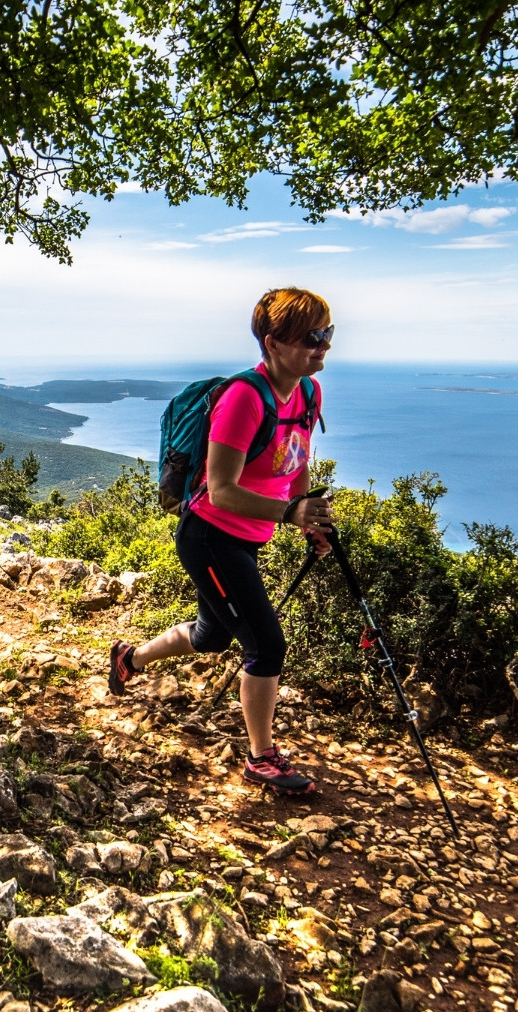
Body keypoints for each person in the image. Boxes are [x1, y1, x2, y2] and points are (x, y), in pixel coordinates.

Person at [108, 288, 335, 795]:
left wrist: (308, 518)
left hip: (248, 535)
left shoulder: (307, 394)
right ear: (274, 344)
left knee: (211, 636)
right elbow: (222, 489)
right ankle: (262, 758)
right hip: (211, 536)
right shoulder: (243, 399)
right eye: (311, 337)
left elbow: (297, 459)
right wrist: (289, 511)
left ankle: (129, 658)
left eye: (328, 334)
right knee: (266, 644)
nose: (323, 346)